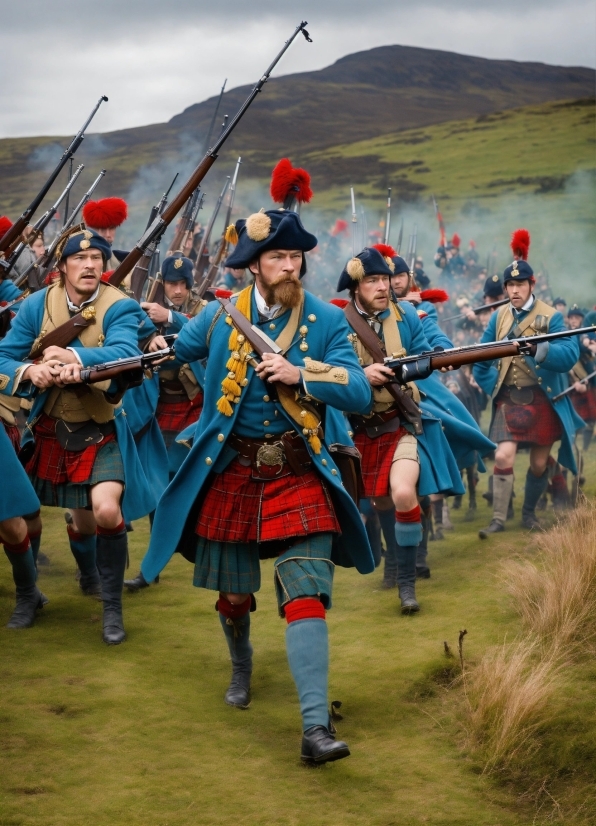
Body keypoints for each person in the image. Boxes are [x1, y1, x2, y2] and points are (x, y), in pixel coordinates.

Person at [138, 207, 374, 764]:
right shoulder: (221, 318)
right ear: (254, 266)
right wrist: (142, 335)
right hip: (232, 472)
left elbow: (360, 391)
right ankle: (241, 663)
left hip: (299, 470)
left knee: (306, 589)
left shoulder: (327, 319)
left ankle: (315, 729)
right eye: (278, 258)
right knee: (235, 597)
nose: (290, 267)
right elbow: (177, 342)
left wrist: (303, 374)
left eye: (295, 257)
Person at [0, 226, 155, 643]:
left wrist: (75, 356)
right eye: (79, 259)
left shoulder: (119, 305)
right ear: (62, 266)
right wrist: (29, 370)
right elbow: (3, 355)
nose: (89, 266)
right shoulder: (37, 305)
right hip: (45, 425)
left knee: (103, 513)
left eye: (96, 260)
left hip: (99, 425)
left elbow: (126, 353)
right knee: (21, 517)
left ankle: (110, 605)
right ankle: (28, 594)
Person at [335, 246, 467, 611]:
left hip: (401, 423)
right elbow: (331, 371)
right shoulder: (338, 324)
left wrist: (425, 364)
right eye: (373, 280)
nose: (382, 286)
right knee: (380, 503)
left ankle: (407, 586)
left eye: (384, 279)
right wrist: (361, 376)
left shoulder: (406, 314)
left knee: (404, 492)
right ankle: (394, 562)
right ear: (356, 287)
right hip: (362, 429)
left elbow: (425, 353)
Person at [474, 230, 583, 537]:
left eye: (520, 283)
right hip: (509, 399)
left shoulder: (552, 317)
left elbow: (569, 354)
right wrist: (492, 386)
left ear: (531, 284)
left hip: (542, 400)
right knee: (503, 455)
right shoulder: (498, 318)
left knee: (538, 464)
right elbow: (481, 357)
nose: (514, 289)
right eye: (510, 284)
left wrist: (539, 349)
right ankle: (497, 519)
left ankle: (529, 513)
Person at [82, 197, 129, 271]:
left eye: (112, 228)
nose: (107, 234)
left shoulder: (123, 259)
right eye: (103, 228)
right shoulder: (80, 258)